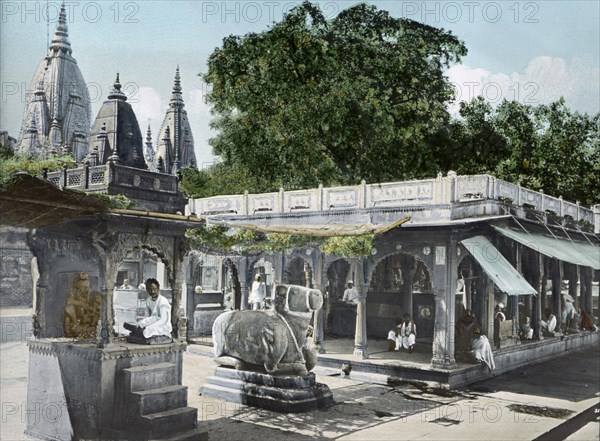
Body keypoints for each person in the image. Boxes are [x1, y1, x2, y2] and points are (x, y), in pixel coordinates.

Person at [124, 278, 172, 344]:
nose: (152, 292)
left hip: (162, 325)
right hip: (152, 321)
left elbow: (163, 320)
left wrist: (149, 327)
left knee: (146, 331)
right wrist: (142, 324)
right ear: (147, 290)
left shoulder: (163, 301)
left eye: (155, 289)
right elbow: (147, 317)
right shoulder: (149, 300)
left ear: (158, 288)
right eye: (150, 290)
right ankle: (138, 330)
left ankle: (141, 333)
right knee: (139, 327)